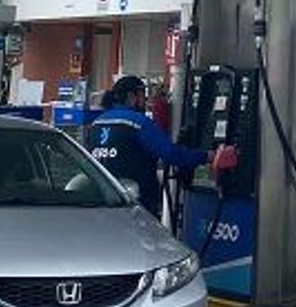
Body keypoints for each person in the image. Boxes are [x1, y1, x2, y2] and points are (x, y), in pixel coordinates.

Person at [86, 75, 235, 218]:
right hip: (136, 204)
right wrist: (207, 156)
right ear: (132, 97)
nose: (145, 101)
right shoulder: (138, 122)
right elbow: (171, 154)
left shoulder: (96, 124)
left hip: (101, 202)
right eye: (143, 97)